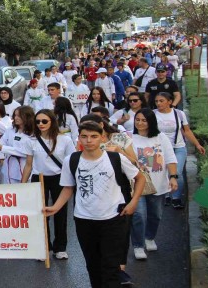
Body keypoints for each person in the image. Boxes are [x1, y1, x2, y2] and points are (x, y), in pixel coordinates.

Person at [44, 122, 145, 288]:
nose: (88, 140)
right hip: (84, 220)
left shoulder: (115, 158)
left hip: (113, 219)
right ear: (79, 138)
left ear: (102, 138)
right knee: (93, 265)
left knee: (110, 266)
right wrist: (55, 207)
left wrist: (134, 202)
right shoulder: (72, 160)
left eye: (93, 136)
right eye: (84, 136)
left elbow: (139, 177)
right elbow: (68, 188)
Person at [21, 110, 76, 259]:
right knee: (41, 214)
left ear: (52, 121)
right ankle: (44, 247)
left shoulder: (65, 139)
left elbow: (71, 161)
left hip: (60, 178)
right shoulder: (30, 141)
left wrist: (72, 180)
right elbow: (28, 164)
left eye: (44, 121)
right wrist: (23, 184)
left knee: (60, 213)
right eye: (38, 121)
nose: (40, 124)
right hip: (39, 178)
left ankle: (60, 247)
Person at [130, 108, 178, 260]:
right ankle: (138, 245)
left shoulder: (161, 137)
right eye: (137, 119)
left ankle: (149, 237)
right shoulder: (129, 137)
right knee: (139, 215)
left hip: (158, 185)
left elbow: (170, 158)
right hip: (136, 185)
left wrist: (173, 176)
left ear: (151, 121)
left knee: (155, 215)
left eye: (144, 120)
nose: (140, 123)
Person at [153, 92, 205, 209]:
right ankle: (165, 194)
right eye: (156, 101)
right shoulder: (153, 114)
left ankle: (176, 197)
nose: (158, 103)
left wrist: (197, 145)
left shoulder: (179, 114)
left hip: (178, 147)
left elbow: (186, 131)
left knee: (177, 173)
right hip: (160, 149)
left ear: (170, 102)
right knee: (162, 172)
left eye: (161, 101)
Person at [0, 106, 35, 184]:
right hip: (9, 166)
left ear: (27, 116)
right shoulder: (10, 130)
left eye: (19, 116)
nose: (16, 118)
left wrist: (5, 148)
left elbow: (26, 152)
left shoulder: (34, 133)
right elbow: (2, 143)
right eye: (15, 115)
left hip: (25, 166)